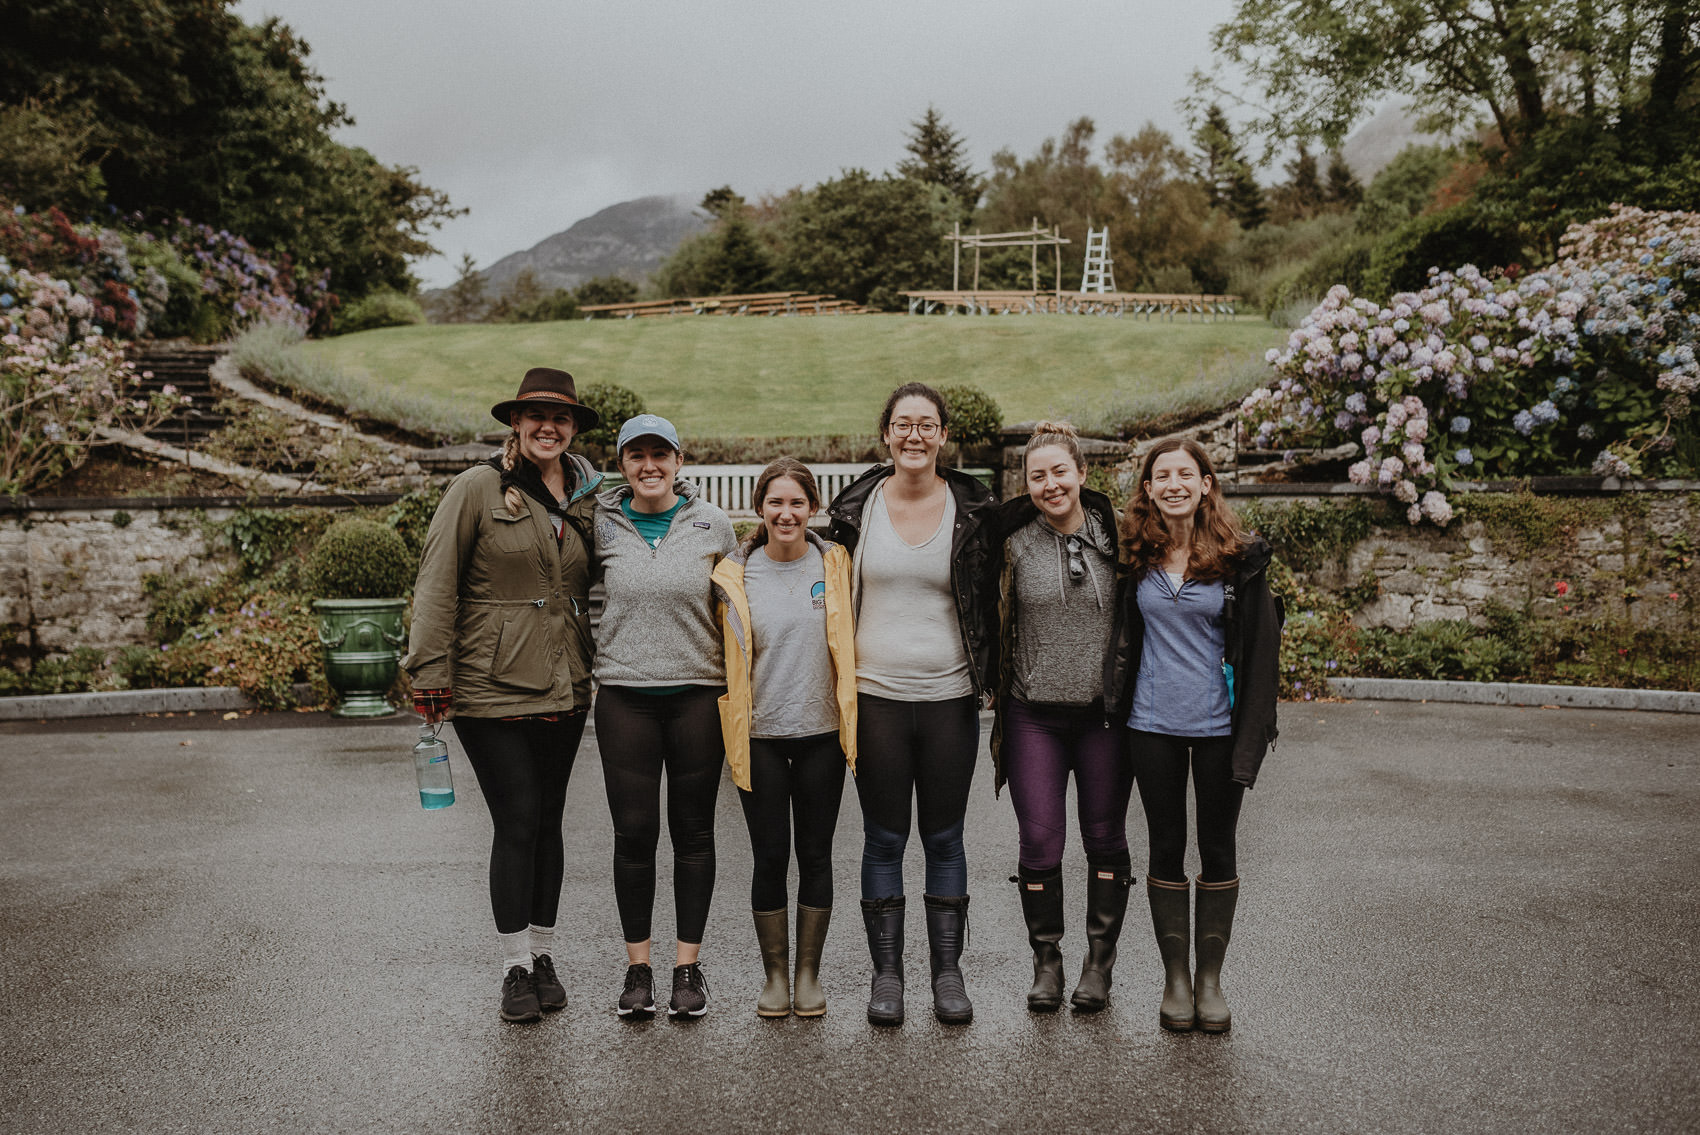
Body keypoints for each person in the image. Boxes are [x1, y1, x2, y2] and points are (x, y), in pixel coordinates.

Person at [403, 367, 603, 1024]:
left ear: (572, 427)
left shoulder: (583, 496)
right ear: (515, 422)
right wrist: (429, 672)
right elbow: (437, 582)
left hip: (565, 683)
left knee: (549, 822)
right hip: (491, 689)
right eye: (536, 414)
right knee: (517, 819)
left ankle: (544, 953)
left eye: (561, 416)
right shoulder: (475, 488)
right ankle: (514, 966)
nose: (549, 425)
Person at [826, 382, 997, 1026]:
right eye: (903, 424)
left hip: (951, 696)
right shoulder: (856, 510)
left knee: (945, 837)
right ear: (887, 435)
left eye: (927, 425)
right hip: (877, 700)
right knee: (884, 837)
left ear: (943, 435)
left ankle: (948, 976)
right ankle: (887, 977)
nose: (915, 436)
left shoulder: (976, 509)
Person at [1108, 436, 1283, 1033]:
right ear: (1149, 488)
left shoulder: (1241, 558)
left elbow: (1262, 654)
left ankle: (1210, 982)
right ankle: (1176, 980)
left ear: (1206, 484)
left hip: (1217, 727)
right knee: (1164, 846)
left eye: (1187, 473)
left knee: (1217, 848)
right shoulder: (1134, 556)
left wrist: (1254, 734)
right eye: (1163, 476)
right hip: (1150, 725)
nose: (1175, 484)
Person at [982, 421, 1131, 1014]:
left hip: (1104, 719)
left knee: (1104, 838)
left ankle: (1099, 964)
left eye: (1059, 472)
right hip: (1032, 716)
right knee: (1040, 841)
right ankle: (1047, 960)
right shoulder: (1011, 542)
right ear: (1026, 483)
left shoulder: (1119, 539)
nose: (1050, 484)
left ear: (1082, 475)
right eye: (1037, 475)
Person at [592, 413, 737, 1020]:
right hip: (625, 695)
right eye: (636, 455)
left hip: (698, 696)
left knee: (694, 832)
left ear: (681, 461)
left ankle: (687, 969)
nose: (649, 466)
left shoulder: (712, 523)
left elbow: (737, 604)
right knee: (634, 837)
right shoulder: (599, 523)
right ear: (621, 464)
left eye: (661, 454)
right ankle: (638, 969)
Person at [711, 458, 857, 1018]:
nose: (786, 512)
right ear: (759, 509)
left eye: (797, 502)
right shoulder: (734, 575)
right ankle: (774, 975)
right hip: (761, 737)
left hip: (822, 734)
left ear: (813, 509)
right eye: (776, 502)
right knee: (769, 857)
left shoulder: (836, 565)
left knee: (815, 855)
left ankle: (807, 975)